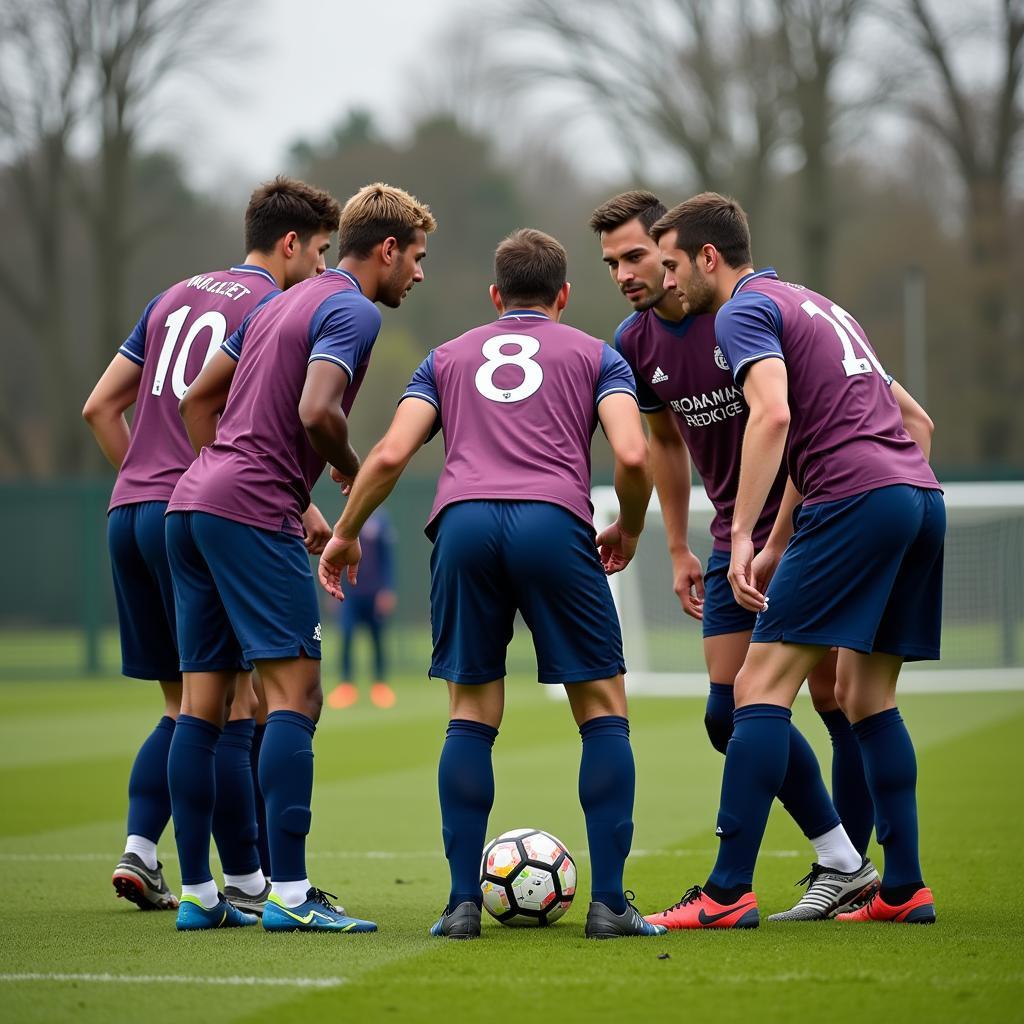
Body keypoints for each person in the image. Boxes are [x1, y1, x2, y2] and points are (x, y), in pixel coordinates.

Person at [318, 228, 667, 941]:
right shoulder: (600, 355)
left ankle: (459, 907)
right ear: (564, 296)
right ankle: (609, 905)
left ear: (494, 297)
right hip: (553, 522)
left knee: (471, 712)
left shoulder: (444, 357)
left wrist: (347, 530)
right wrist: (628, 525)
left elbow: (387, 453)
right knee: (600, 706)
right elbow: (633, 452)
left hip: (463, 527)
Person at [648, 192, 942, 927]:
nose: (668, 281)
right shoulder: (816, 303)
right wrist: (855, 512)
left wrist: (742, 533)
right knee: (865, 695)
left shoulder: (741, 311)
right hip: (917, 495)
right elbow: (917, 422)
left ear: (709, 257)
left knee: (757, 688)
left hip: (853, 500)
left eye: (673, 265)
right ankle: (902, 889)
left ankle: (725, 894)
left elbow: (773, 414)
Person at [590, 190, 880, 923]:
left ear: (674, 252)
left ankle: (848, 875)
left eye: (637, 255)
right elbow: (661, 443)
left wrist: (777, 533)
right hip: (731, 536)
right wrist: (681, 544)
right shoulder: (634, 342)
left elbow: (814, 410)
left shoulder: (750, 308)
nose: (627, 272)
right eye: (613, 262)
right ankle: (845, 861)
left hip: (807, 520)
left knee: (829, 698)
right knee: (729, 712)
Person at [162, 183, 435, 933]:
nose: (417, 274)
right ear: (386, 250)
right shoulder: (347, 307)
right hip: (248, 513)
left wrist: (242, 478)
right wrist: (344, 466)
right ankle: (288, 895)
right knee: (296, 697)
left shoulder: (272, 303)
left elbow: (196, 401)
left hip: (190, 505)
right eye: (415, 258)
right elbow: (318, 410)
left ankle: (199, 895)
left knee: (201, 706)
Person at [82, 177, 340, 914]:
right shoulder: (273, 306)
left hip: (131, 508)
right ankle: (252, 881)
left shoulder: (170, 296)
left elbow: (100, 406)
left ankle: (144, 850)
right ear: (290, 244)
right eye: (320, 254)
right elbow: (250, 422)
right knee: (233, 709)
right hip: (204, 508)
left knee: (184, 704)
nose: (323, 273)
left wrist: (142, 476)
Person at [327, 507, 398, 710]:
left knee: (377, 638)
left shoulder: (382, 520)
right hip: (350, 595)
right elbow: (336, 557)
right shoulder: (346, 517)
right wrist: (333, 589)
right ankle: (346, 686)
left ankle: (380, 685)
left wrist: (387, 589)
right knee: (347, 635)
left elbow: (389, 559)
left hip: (374, 593)